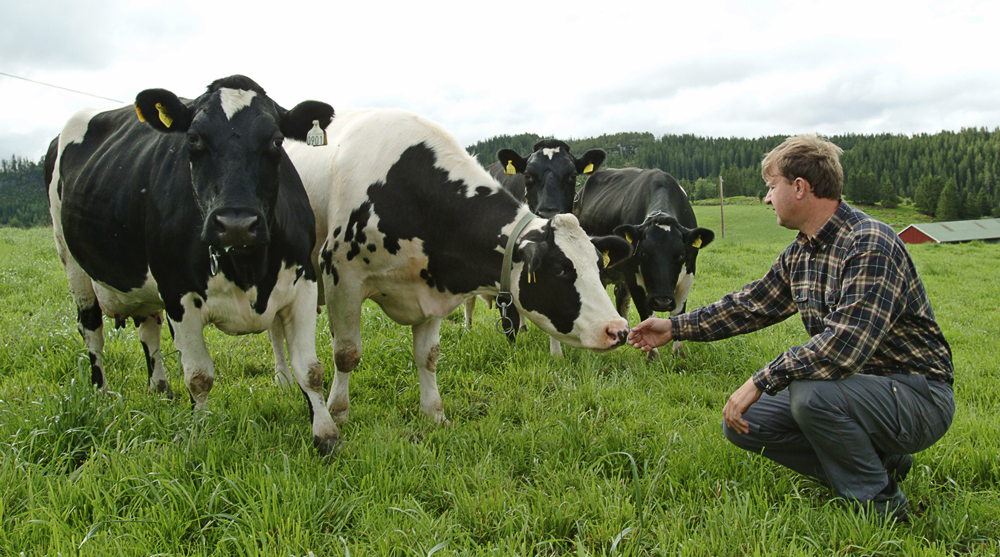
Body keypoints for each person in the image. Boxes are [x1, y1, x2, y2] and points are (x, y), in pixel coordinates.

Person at [627, 134, 955, 522]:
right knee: (745, 424)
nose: (766, 199)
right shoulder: (803, 251)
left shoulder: (869, 243)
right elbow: (751, 305)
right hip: (857, 390)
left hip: (918, 397)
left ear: (799, 188)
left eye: (771, 187)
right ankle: (879, 463)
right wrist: (674, 326)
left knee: (811, 395)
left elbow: (843, 347)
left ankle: (881, 504)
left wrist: (759, 380)